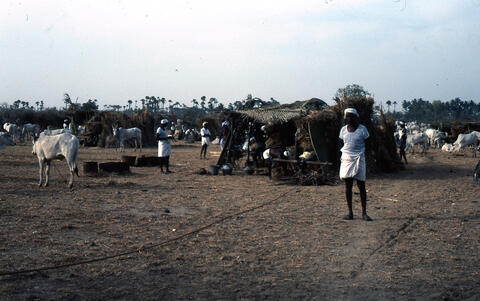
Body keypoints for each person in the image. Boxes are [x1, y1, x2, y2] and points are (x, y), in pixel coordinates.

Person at [338, 108, 372, 221]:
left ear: (356, 117)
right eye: (347, 116)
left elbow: (368, 143)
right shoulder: (343, 130)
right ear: (345, 118)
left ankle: (364, 213)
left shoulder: (363, 129)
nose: (349, 118)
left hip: (359, 158)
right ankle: (350, 213)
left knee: (361, 185)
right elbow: (341, 144)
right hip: (347, 159)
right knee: (348, 186)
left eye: (352, 116)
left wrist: (365, 156)